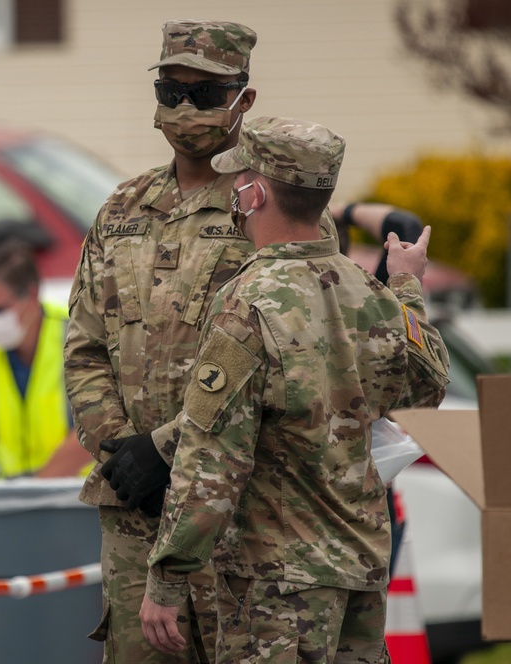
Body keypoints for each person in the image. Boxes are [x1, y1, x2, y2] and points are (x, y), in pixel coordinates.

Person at [139, 117, 450, 660]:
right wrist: (405, 287)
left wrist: (167, 578)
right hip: (360, 573)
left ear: (256, 193)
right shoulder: (370, 293)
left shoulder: (249, 301)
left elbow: (213, 458)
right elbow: (426, 388)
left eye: (239, 183)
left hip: (276, 586)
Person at [65, 20, 269, 662]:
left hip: (237, 508)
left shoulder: (270, 205)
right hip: (134, 509)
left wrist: (170, 451)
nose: (185, 110)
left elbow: (275, 354)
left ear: (244, 100)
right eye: (171, 91)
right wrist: (122, 452)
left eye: (206, 95)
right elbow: (84, 346)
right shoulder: (123, 207)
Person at [332, 200, 426, 580]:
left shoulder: (264, 302)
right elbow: (404, 225)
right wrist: (345, 210)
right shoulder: (368, 306)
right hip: (368, 500)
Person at [0, 235, 89, 478]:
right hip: (11, 499)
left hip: (77, 496)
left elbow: (99, 430)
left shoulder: (78, 338)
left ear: (31, 295)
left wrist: (37, 486)